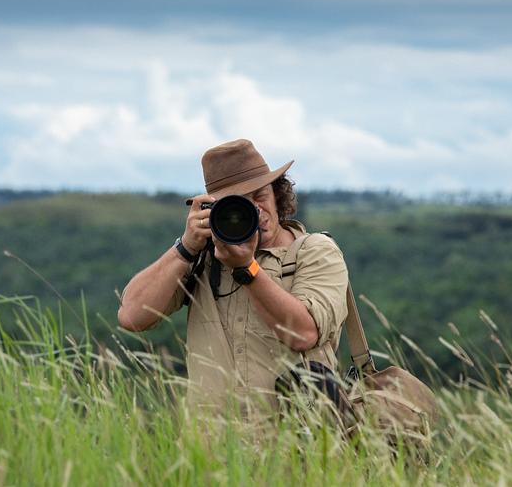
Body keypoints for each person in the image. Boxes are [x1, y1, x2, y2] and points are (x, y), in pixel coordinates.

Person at [118, 139, 349, 419]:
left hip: (296, 447)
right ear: (213, 211)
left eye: (260, 196)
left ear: (277, 193)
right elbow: (131, 317)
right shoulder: (202, 256)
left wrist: (246, 269)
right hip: (213, 450)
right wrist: (185, 248)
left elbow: (304, 333)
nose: (255, 211)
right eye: (239, 205)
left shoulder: (314, 251)